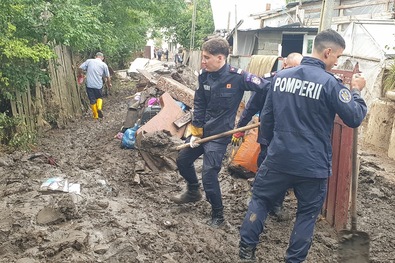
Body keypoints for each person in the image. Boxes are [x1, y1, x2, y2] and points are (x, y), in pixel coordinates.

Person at [238, 29, 368, 262]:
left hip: (279, 157)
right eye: (337, 57)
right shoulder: (330, 84)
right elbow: (354, 117)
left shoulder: (280, 77)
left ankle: (246, 252)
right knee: (307, 214)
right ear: (328, 52)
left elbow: (266, 119)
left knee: (260, 200)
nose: (337, 61)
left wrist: (268, 150)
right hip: (313, 164)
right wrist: (356, 91)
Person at [170, 37, 271, 228]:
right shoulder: (203, 76)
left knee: (209, 173)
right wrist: (195, 132)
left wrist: (267, 112)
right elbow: (199, 103)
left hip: (220, 135)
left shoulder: (239, 77)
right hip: (202, 132)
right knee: (182, 160)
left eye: (207, 57)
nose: (203, 61)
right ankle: (193, 191)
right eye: (203, 57)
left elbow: (267, 87)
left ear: (220, 58)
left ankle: (218, 214)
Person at [231, 52, 303, 219]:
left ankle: (276, 205)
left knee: (284, 170)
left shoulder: (302, 85)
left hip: (290, 137)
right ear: (284, 66)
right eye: (293, 68)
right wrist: (240, 128)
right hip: (269, 134)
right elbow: (251, 106)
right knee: (264, 166)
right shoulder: (268, 81)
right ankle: (256, 198)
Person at [79, 52, 112, 119]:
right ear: (102, 58)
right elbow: (108, 76)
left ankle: (95, 116)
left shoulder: (89, 61)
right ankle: (99, 108)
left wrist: (81, 75)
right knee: (99, 97)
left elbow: (80, 68)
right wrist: (109, 84)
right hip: (98, 85)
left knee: (92, 100)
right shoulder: (104, 65)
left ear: (95, 56)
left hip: (89, 85)